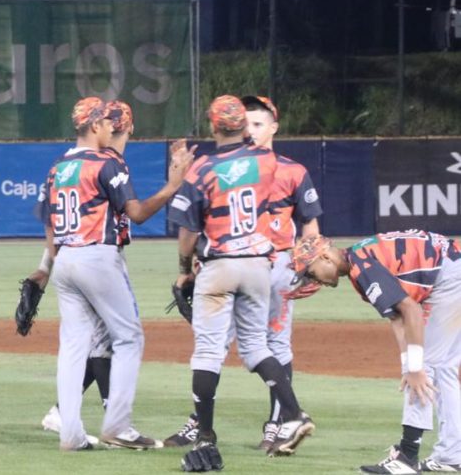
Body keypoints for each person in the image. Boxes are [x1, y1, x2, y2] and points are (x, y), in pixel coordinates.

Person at [164, 96, 323, 450]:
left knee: (210, 351)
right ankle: (293, 414)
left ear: (213, 126)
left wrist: (184, 270)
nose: (253, 128)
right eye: (247, 122)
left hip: (228, 264)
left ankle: (209, 434)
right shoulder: (268, 163)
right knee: (256, 347)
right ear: (241, 127)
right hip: (258, 265)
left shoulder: (204, 168)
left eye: (259, 122)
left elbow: (188, 229)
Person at [41, 98, 193, 451]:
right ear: (95, 126)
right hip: (97, 256)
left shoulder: (58, 167)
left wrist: (49, 264)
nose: (111, 127)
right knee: (129, 338)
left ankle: (71, 435)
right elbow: (136, 213)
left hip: (64, 259)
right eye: (106, 123)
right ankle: (118, 426)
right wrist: (171, 186)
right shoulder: (105, 162)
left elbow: (49, 222)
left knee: (73, 347)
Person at [293, 232, 461, 474]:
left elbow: (412, 311)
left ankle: (407, 457)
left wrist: (414, 369)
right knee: (442, 369)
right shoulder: (359, 261)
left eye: (310, 272)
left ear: (325, 257)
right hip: (453, 268)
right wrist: (407, 364)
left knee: (424, 368)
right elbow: (397, 317)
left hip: (451, 276)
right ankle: (452, 455)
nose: (313, 280)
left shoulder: (362, 268)